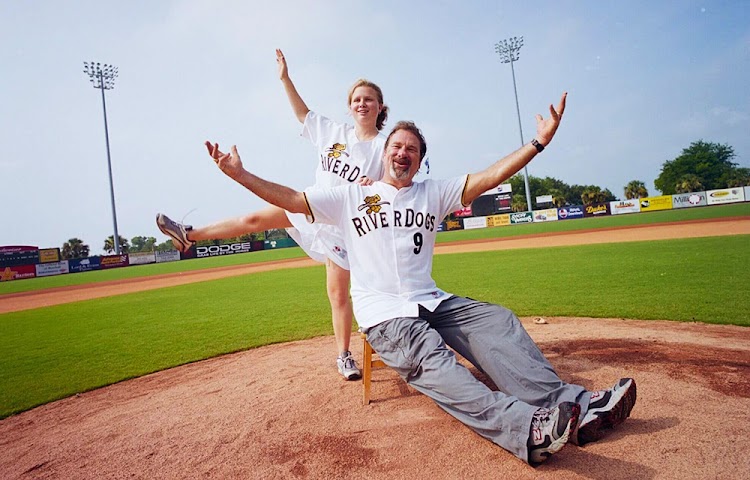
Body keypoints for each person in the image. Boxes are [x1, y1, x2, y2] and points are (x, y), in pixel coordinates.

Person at [202, 92, 637, 465]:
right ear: (385, 153)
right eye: (397, 146)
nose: (403, 153)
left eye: (412, 149)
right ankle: (528, 431)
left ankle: (577, 406)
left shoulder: (432, 193)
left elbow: (487, 178)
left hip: (433, 301)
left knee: (497, 321)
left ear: (420, 160)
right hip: (386, 314)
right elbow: (293, 199)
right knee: (437, 365)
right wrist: (240, 175)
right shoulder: (353, 196)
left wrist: (537, 144)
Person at [157, 49, 389, 380]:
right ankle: (188, 235)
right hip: (308, 206)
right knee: (253, 221)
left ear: (380, 107)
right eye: (356, 99)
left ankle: (348, 353)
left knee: (343, 294)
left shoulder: (384, 146)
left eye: (369, 99)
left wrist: (377, 183)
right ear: (350, 106)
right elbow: (302, 114)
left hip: (348, 228)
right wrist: (285, 78)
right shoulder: (333, 132)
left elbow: (395, 182)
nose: (362, 104)